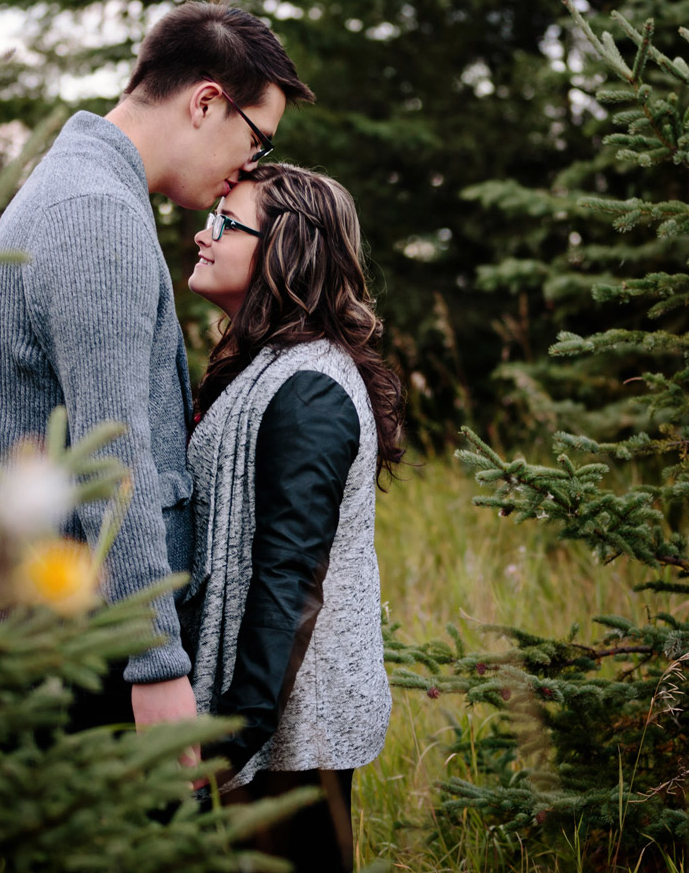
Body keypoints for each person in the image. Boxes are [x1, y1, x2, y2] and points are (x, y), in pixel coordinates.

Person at [0, 0, 314, 735]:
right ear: (206, 102)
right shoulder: (96, 214)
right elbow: (111, 457)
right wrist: (157, 666)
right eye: (255, 142)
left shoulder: (76, 188)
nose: (247, 170)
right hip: (82, 649)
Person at [180, 164, 405, 872]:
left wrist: (230, 742)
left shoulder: (308, 387)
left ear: (285, 249)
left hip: (294, 735)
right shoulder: (269, 366)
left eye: (225, 222)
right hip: (269, 717)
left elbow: (289, 581)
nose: (202, 232)